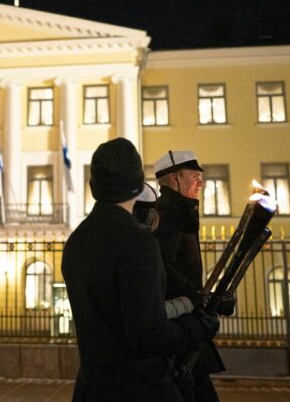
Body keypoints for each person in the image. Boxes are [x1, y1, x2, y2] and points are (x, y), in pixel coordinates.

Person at [61, 138, 220, 401]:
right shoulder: (138, 242)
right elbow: (148, 334)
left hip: (92, 389)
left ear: (92, 187)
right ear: (137, 186)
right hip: (140, 388)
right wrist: (198, 326)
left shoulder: (75, 243)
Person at [153, 151, 234, 401]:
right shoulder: (170, 212)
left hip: (186, 320)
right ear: (174, 178)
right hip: (179, 323)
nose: (200, 182)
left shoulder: (180, 209)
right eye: (194, 176)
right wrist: (196, 296)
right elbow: (163, 264)